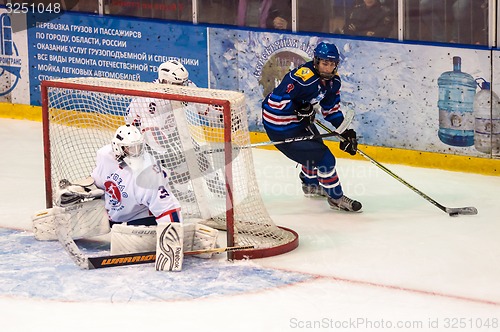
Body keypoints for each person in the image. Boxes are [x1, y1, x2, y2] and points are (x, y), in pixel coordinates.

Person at [261, 42, 362, 212]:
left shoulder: (333, 82)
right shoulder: (302, 78)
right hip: (279, 126)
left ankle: (310, 185)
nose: (328, 68)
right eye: (324, 63)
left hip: (298, 122)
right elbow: (274, 103)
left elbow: (331, 110)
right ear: (316, 61)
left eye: (331, 64)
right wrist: (296, 108)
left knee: (316, 148)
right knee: (326, 160)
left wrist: (345, 131)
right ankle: (336, 198)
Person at [125, 59, 225, 205]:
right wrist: (171, 151)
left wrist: (221, 116)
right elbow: (151, 132)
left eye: (184, 82)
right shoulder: (151, 100)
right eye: (179, 84)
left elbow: (202, 106)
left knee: (198, 155)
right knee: (176, 166)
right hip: (142, 139)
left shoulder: (186, 86)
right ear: (165, 82)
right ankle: (180, 191)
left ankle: (214, 184)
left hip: (170, 130)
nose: (184, 87)